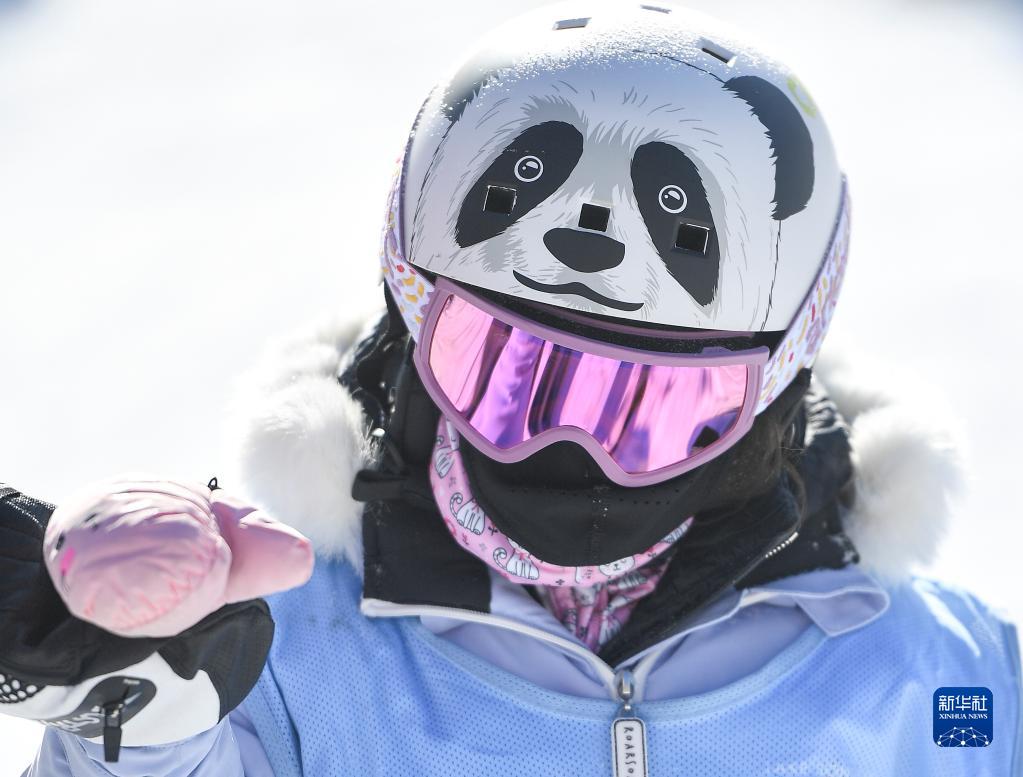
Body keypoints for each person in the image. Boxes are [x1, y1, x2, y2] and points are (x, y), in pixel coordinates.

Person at [2, 3, 1019, 775]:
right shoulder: (278, 653)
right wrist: (135, 734)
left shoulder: (945, 683)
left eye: (653, 411)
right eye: (501, 372)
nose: (568, 449)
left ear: (771, 385)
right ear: (409, 316)